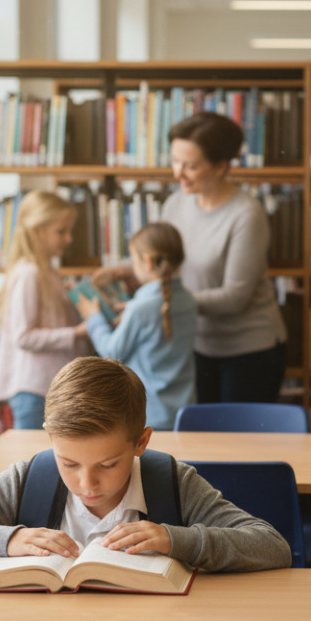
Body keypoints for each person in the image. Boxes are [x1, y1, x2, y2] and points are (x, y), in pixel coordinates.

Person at [0, 356, 292, 572]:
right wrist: (5, 540)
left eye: (107, 464)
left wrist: (178, 540)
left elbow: (272, 546)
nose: (87, 483)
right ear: (50, 439)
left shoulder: (171, 480)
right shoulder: (28, 478)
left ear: (141, 442)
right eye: (68, 463)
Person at [94, 111, 287, 404]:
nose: (177, 173)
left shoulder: (246, 214)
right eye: (175, 161)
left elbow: (235, 297)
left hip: (247, 351)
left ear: (221, 166)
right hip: (192, 344)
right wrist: (126, 271)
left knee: (239, 446)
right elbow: (163, 260)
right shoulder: (175, 204)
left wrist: (161, 304)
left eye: (191, 166)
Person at [75, 222, 197, 432]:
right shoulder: (188, 300)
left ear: (147, 262)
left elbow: (112, 352)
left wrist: (94, 318)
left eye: (133, 259)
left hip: (150, 414)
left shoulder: (141, 308)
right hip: (183, 412)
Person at [0, 190, 90, 430]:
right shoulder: (29, 274)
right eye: (61, 231)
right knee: (35, 461)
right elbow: (24, 337)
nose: (69, 239)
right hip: (33, 391)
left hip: (47, 388)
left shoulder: (48, 273)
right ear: (37, 231)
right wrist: (76, 333)